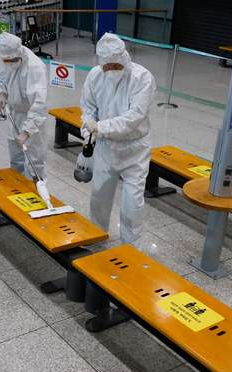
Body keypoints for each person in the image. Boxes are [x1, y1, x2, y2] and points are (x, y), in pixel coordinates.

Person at [80, 33, 156, 245]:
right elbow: (88, 108)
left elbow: (133, 118)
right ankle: (96, 238)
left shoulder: (142, 78)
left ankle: (130, 247)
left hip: (134, 149)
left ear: (124, 58)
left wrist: (100, 127)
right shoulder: (95, 75)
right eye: (107, 66)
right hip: (105, 147)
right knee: (99, 197)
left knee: (132, 203)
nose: (111, 70)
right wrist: (88, 130)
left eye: (116, 65)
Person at [0, 32, 48, 181]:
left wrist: (27, 131)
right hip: (14, 114)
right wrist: (1, 93)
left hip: (32, 117)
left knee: (34, 162)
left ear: (19, 52)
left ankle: (36, 195)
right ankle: (17, 192)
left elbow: (39, 104)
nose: (9, 63)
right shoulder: (1, 56)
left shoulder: (35, 67)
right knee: (16, 159)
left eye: (13, 60)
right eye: (6, 60)